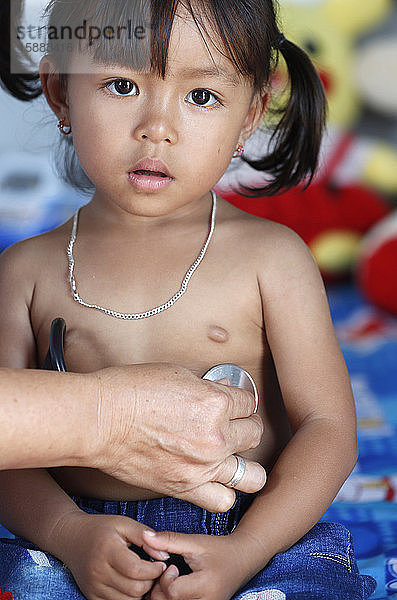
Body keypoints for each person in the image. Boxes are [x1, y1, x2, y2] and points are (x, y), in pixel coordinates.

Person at [0, 1, 376, 599]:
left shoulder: (272, 258)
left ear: (250, 113)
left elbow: (329, 429)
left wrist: (244, 552)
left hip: (248, 530)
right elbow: (9, 455)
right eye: (121, 84)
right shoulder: (25, 272)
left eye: (201, 96)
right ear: (61, 94)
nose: (158, 125)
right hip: (78, 538)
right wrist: (69, 533)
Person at [0, 365, 264, 508]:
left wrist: (249, 547)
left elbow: (307, 423)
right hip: (79, 519)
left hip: (247, 519)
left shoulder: (269, 265)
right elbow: (13, 469)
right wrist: (65, 531)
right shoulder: (23, 272)